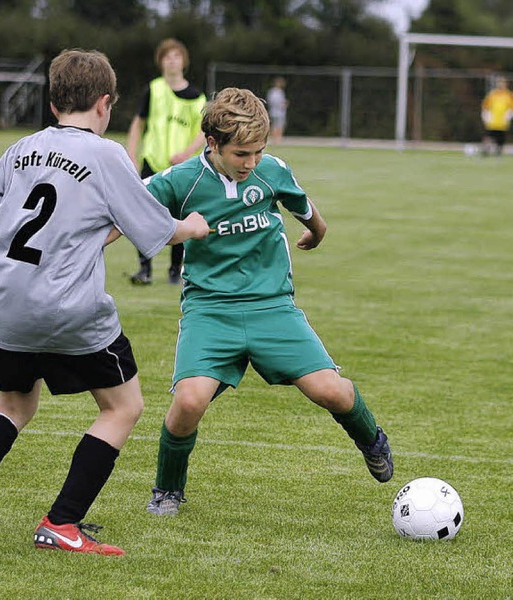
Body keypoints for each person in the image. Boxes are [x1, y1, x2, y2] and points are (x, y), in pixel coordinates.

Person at [0, 48, 209, 554]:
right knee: (123, 406)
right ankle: (62, 523)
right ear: (105, 104)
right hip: (69, 310)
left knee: (15, 402)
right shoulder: (108, 155)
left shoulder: (22, 149)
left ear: (52, 104)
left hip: (6, 306)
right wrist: (192, 227)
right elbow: (155, 230)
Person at [140, 87, 393, 517]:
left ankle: (371, 439)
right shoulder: (180, 180)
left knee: (331, 391)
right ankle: (168, 488)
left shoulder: (271, 171)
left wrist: (316, 233)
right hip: (210, 310)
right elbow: (129, 208)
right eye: (242, 154)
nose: (251, 162)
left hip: (272, 307)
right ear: (212, 143)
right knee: (188, 401)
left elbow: (308, 212)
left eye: (258, 151)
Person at [127, 38, 207, 285]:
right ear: (160, 62)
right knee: (142, 216)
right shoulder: (153, 89)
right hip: (152, 162)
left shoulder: (197, 97)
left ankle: (175, 270)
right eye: (166, 56)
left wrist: (186, 153)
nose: (172, 60)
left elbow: (203, 131)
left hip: (182, 167)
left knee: (181, 218)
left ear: (184, 61)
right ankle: (145, 269)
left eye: (176, 56)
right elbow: (138, 123)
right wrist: (130, 153)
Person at [481, 76, 513, 157]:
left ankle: (498, 152)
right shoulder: (492, 94)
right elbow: (485, 106)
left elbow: (511, 107)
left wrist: (509, 116)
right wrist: (485, 115)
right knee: (489, 135)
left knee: (501, 137)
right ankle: (485, 150)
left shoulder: (509, 95)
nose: (501, 85)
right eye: (499, 83)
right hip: (492, 120)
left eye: (503, 83)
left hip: (502, 121)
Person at [266, 76, 289, 145]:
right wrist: (284, 104)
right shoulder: (278, 92)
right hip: (279, 113)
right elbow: (277, 102)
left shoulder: (271, 91)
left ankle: (274, 140)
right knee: (278, 126)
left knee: (274, 126)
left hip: (273, 112)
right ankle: (277, 140)